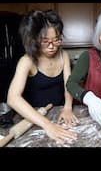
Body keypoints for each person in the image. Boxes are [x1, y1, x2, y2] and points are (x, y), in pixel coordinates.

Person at [7, 10, 78, 144]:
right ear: (34, 40)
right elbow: (12, 98)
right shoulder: (27, 61)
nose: (52, 47)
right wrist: (47, 125)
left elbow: (68, 83)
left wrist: (68, 107)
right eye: (45, 41)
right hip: (33, 117)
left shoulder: (64, 56)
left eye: (56, 40)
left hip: (59, 112)